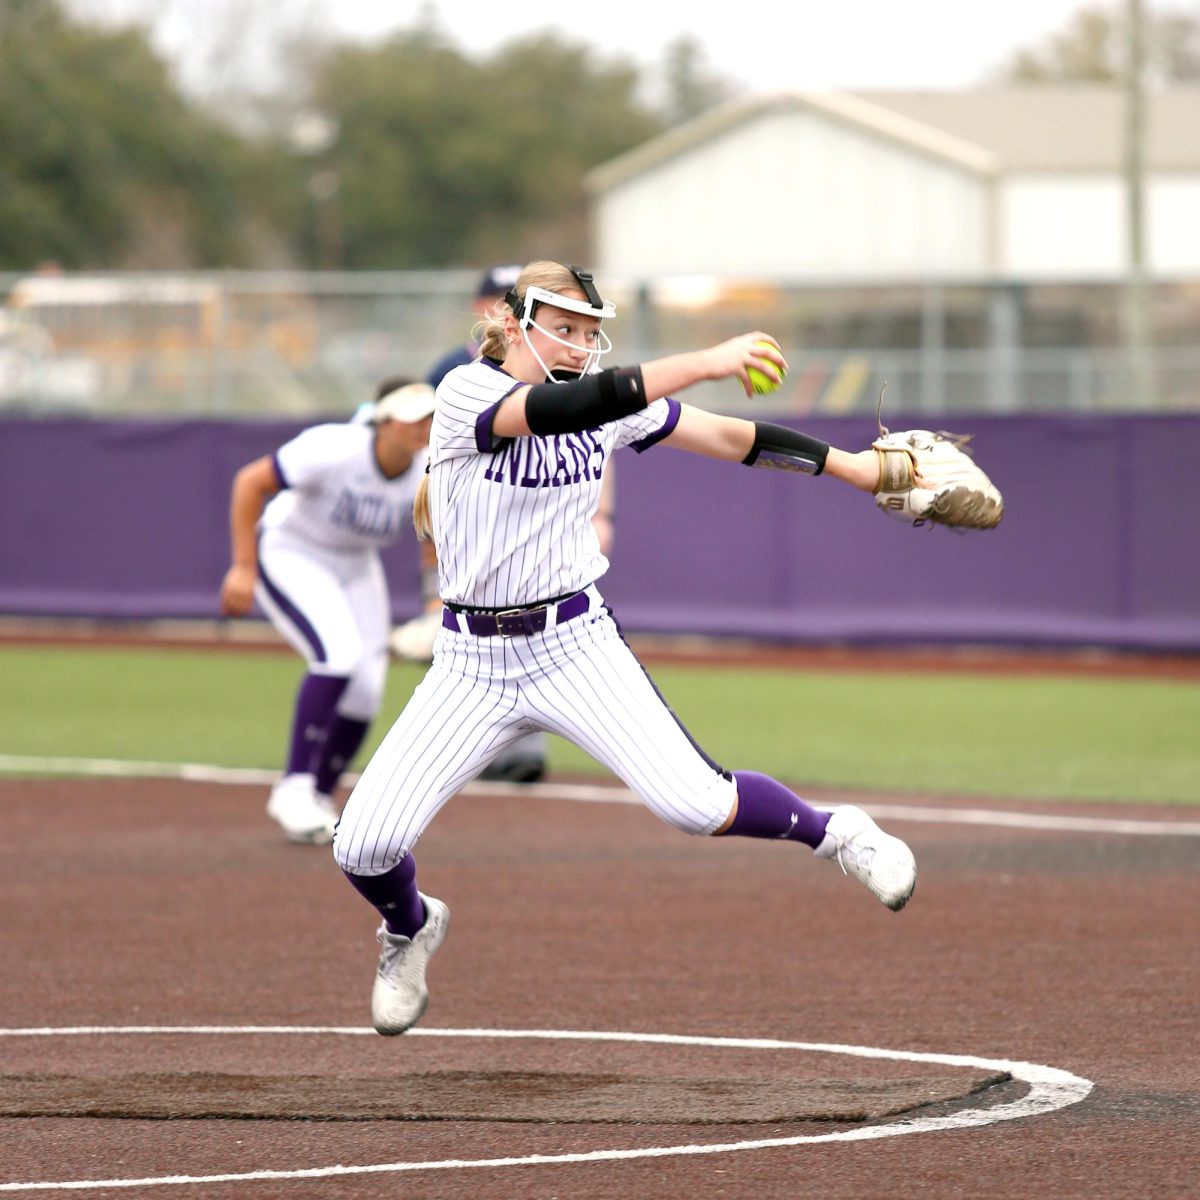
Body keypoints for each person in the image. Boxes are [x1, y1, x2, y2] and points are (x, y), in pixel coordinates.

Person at [332, 261, 917, 1036]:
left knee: (698, 805)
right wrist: (708, 359)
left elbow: (730, 437)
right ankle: (409, 927)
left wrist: (853, 468)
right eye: (562, 328)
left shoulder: (602, 398)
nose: (578, 345)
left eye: (587, 332)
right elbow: (582, 403)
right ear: (511, 324)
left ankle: (841, 833)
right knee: (364, 844)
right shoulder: (467, 394)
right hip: (470, 663)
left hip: (573, 642)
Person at [219, 378, 436, 844]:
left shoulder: (429, 466)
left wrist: (435, 603)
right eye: (415, 416)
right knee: (339, 654)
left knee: (367, 687)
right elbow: (251, 481)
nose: (426, 425)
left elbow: (432, 536)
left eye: (431, 415)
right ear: (384, 419)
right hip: (294, 548)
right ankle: (293, 788)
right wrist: (242, 566)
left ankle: (319, 796)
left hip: (356, 562)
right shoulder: (336, 447)